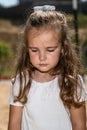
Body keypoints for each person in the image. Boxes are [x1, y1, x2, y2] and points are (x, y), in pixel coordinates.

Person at [8, 5, 87, 130]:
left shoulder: (72, 82)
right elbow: (14, 125)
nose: (42, 57)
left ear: (62, 48)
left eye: (50, 50)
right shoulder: (21, 83)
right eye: (34, 50)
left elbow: (79, 125)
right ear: (26, 49)